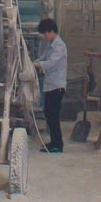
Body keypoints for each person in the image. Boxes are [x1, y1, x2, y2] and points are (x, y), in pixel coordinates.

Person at [34, 18, 67, 153]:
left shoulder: (59, 46)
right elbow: (43, 58)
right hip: (50, 86)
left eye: (45, 34)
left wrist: (37, 65)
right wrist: (33, 62)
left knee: (53, 115)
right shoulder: (50, 45)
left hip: (57, 86)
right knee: (48, 113)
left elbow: (51, 63)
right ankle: (53, 142)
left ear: (52, 31)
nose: (44, 36)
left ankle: (58, 145)